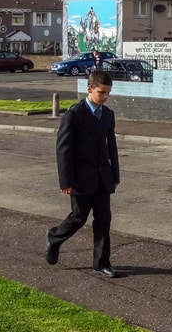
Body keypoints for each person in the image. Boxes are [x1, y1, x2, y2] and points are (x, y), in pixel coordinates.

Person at [45, 70, 120, 278]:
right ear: (89, 89)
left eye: (108, 93)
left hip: (103, 177)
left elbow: (111, 146)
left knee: (104, 220)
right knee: (78, 218)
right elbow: (64, 149)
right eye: (101, 92)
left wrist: (115, 176)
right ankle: (54, 238)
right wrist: (66, 180)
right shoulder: (74, 114)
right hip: (80, 178)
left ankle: (102, 263)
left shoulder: (108, 115)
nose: (104, 97)